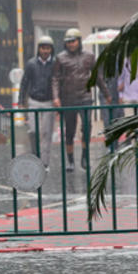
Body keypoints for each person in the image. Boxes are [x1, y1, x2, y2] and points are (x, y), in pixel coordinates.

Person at [53, 27, 114, 171]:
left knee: (86, 128)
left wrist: (106, 94)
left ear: (79, 41)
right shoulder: (60, 58)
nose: (71, 44)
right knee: (70, 130)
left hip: (85, 97)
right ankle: (70, 160)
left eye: (73, 41)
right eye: (68, 42)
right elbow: (55, 79)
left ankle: (85, 157)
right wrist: (56, 97)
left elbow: (97, 77)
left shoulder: (89, 56)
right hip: (68, 99)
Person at [18, 35, 57, 167]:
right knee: (33, 131)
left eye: (48, 48)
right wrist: (21, 101)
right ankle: (35, 156)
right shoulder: (31, 64)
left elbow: (59, 83)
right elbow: (24, 83)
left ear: (51, 49)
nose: (45, 51)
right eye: (43, 48)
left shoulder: (56, 64)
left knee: (47, 133)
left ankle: (45, 163)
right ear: (38, 49)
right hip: (34, 100)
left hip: (49, 102)